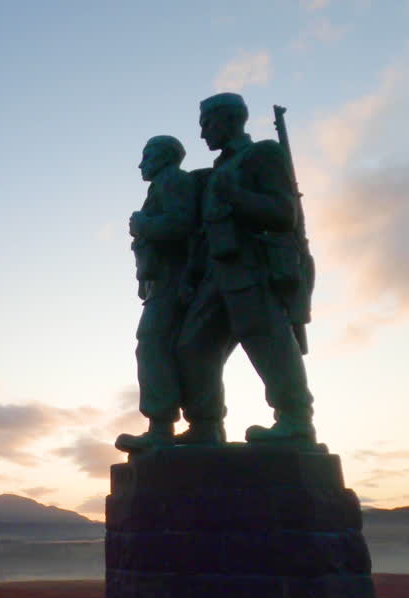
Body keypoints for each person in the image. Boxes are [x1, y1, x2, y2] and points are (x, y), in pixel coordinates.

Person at [175, 92, 317, 446]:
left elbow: (284, 214)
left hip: (252, 268)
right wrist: (193, 275)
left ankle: (295, 419)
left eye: (207, 124)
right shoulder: (217, 170)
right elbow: (205, 232)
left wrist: (236, 197)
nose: (203, 133)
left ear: (228, 120)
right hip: (215, 272)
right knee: (194, 346)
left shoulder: (262, 154)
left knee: (268, 341)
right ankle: (205, 425)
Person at [115, 135, 198, 453]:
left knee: (151, 344)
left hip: (173, 281)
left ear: (164, 157)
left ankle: (161, 426)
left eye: (146, 155)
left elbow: (181, 224)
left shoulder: (172, 181)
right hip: (161, 282)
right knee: (165, 347)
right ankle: (187, 424)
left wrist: (143, 224)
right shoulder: (162, 185)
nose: (141, 163)